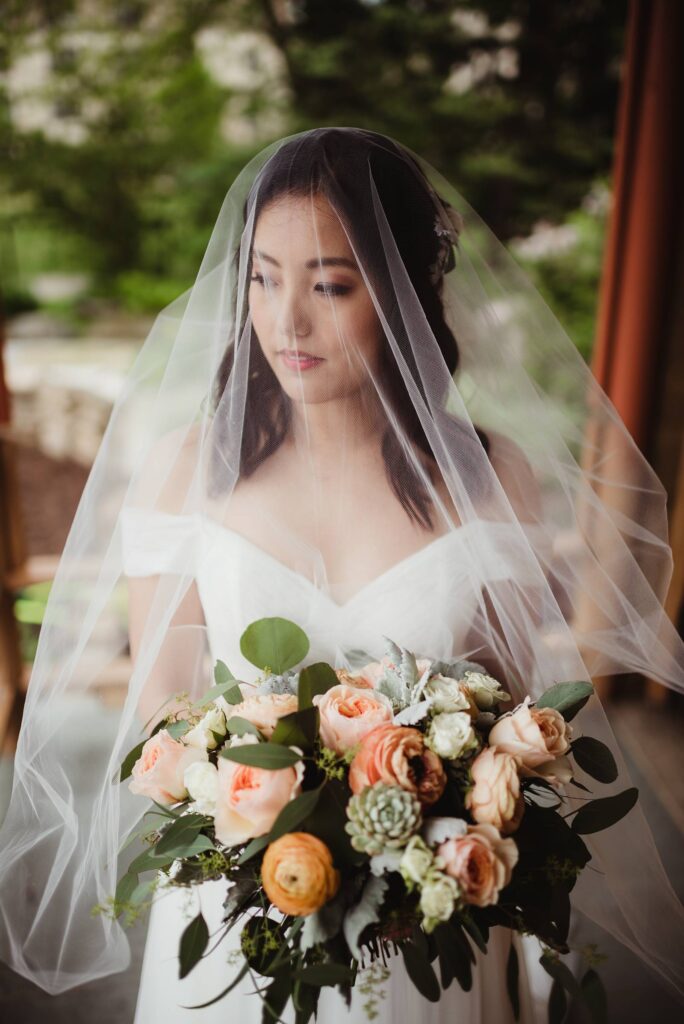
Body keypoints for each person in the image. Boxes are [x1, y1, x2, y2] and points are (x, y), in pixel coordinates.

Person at [0, 127, 682, 1022]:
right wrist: (257, 813)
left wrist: (417, 833)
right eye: (263, 278)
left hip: (431, 922)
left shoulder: (492, 477)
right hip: (245, 908)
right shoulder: (188, 468)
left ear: (403, 294)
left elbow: (516, 720)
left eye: (329, 285)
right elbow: (160, 720)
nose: (287, 322)